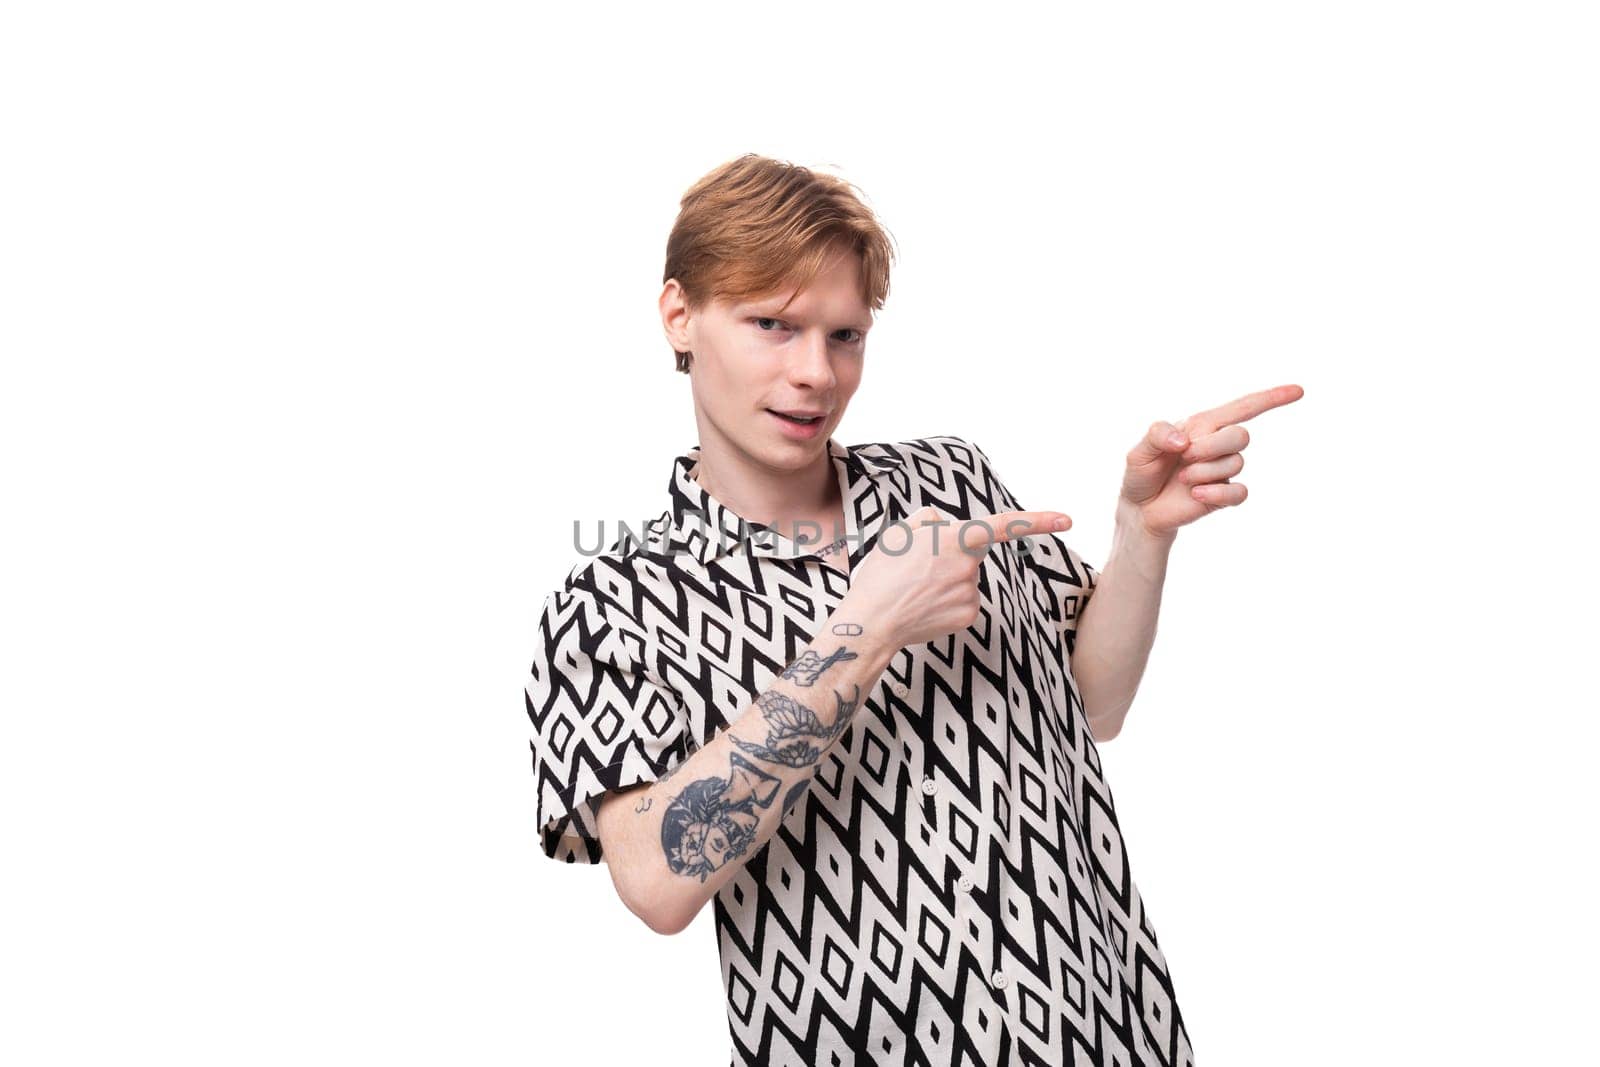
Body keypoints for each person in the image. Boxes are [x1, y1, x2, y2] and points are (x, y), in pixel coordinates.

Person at [525, 152, 1301, 1066]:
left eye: (844, 335)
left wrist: (1142, 533)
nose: (816, 371)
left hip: (1113, 1031)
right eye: (772, 324)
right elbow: (657, 883)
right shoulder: (611, 601)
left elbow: (1095, 703)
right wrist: (867, 626)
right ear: (680, 316)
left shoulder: (951, 480)